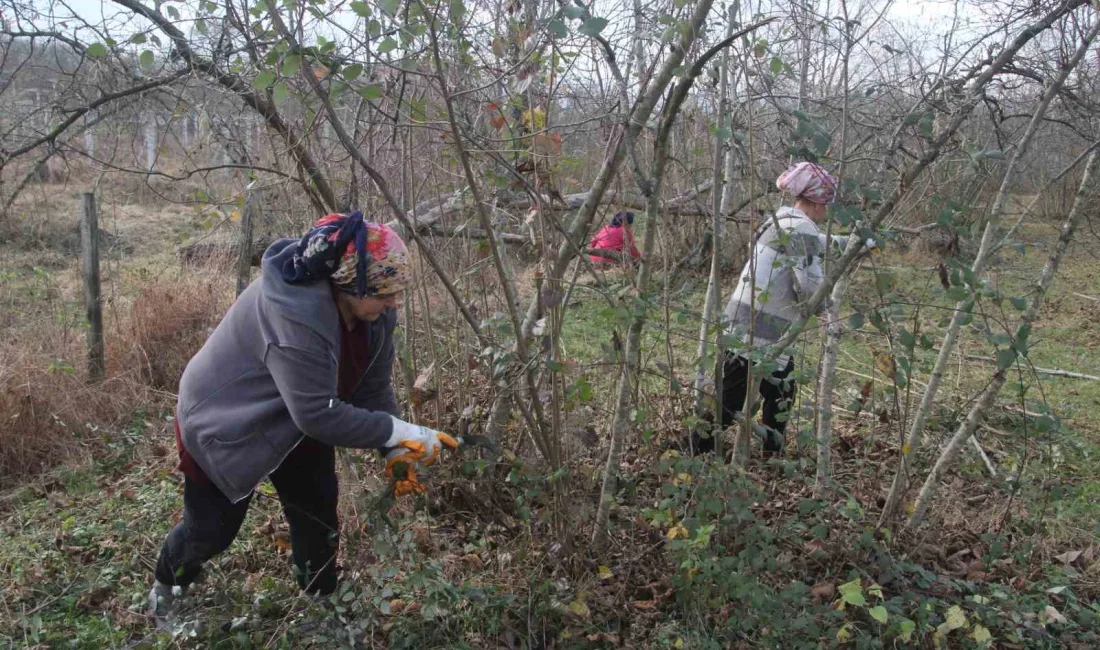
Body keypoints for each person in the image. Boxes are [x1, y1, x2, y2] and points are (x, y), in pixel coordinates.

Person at [148, 212, 457, 625]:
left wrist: (396, 446)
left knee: (317, 513)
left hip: (299, 415)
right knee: (212, 529)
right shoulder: (295, 315)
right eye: (385, 292)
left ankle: (319, 603)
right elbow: (315, 414)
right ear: (352, 283)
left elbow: (371, 388)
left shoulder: (376, 314)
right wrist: (399, 430)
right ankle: (167, 587)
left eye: (397, 292)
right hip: (224, 421)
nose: (394, 302)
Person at [694, 162, 872, 455]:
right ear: (818, 202)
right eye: (827, 203)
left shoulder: (784, 220)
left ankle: (771, 453)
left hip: (752, 321)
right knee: (731, 401)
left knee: (781, 392)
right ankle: (697, 452)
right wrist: (828, 309)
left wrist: (852, 244)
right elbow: (807, 286)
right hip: (757, 327)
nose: (828, 210)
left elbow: (817, 245)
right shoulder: (799, 227)